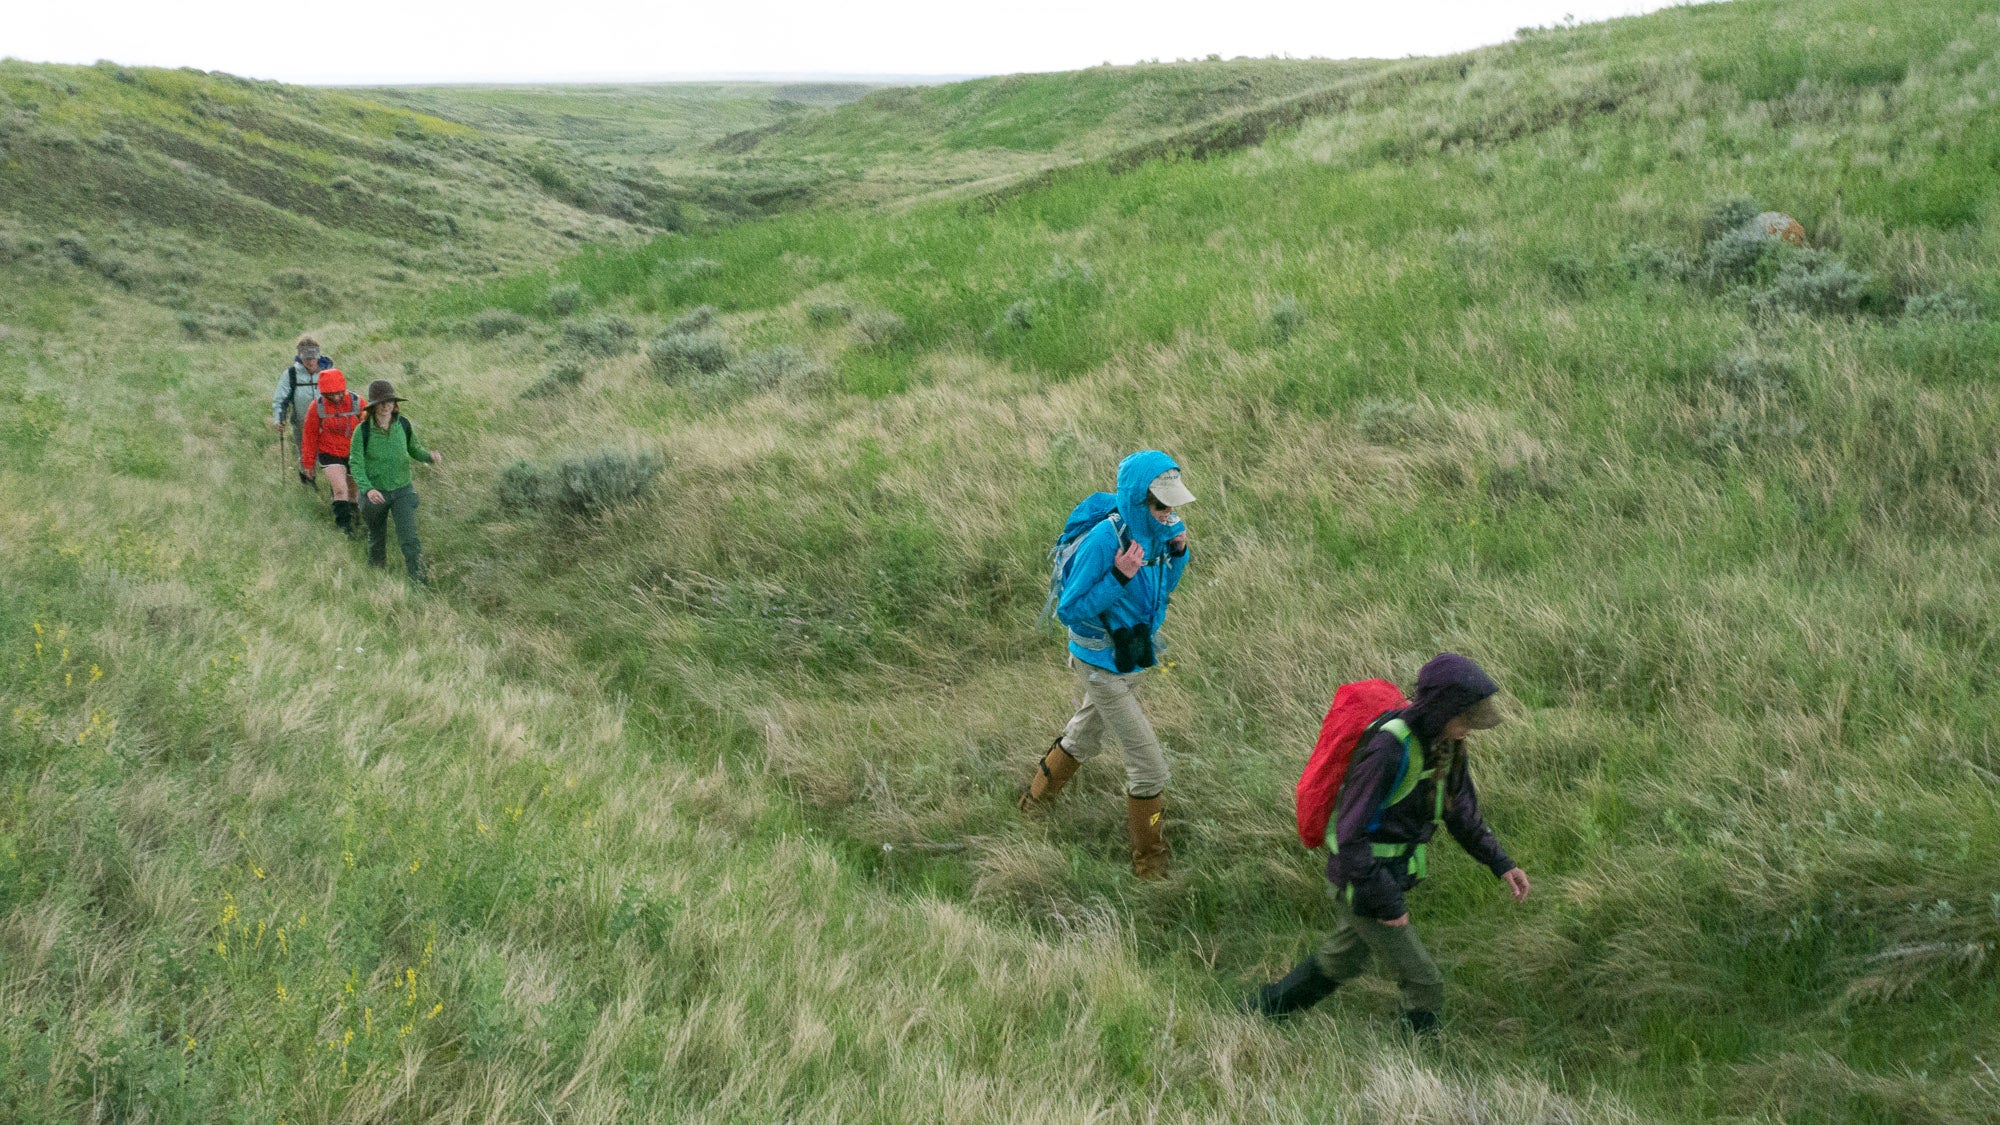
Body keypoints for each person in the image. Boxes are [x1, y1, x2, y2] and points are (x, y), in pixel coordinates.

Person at [1248, 652, 1531, 1035]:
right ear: (1441, 708)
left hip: (1384, 877)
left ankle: (1260, 1011)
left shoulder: (1445, 746)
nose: (1470, 728)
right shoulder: (1389, 750)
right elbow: (1350, 836)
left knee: (1341, 960)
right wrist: (1388, 902)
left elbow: (1460, 813)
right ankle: (1419, 1068)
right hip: (1362, 880)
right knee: (1424, 982)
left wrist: (1502, 864)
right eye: (1465, 718)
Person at [1017, 450, 1193, 879]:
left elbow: (1160, 592)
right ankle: (1151, 866)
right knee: (1149, 768)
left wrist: (1179, 555)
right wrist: (1118, 576)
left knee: (1082, 736)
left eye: (1172, 503)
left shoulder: (1160, 531)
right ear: (1137, 500)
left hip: (1131, 657)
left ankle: (1031, 807)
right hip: (1099, 664)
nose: (1168, 512)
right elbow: (1070, 609)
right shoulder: (1103, 540)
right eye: (1159, 504)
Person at [349, 380, 441, 584]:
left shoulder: (403, 424)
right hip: (374, 492)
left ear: (394, 403)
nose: (386, 405)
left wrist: (429, 457)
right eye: (381, 402)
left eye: (389, 401)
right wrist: (368, 489)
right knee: (376, 535)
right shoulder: (362, 432)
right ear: (373, 406)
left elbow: (414, 449)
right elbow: (356, 465)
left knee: (409, 537)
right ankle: (377, 575)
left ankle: (418, 581)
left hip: (402, 490)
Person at [299, 369, 365, 536]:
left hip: (354, 452)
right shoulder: (317, 407)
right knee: (340, 489)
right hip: (329, 452)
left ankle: (355, 523)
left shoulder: (358, 403)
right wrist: (308, 463)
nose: (336, 398)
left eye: (339, 393)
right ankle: (344, 530)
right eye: (330, 395)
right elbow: (310, 435)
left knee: (352, 492)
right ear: (323, 393)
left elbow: (369, 430)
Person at [270, 334, 333, 472]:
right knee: (306, 458)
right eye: (306, 358)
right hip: (302, 424)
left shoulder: (328, 373)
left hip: (327, 424)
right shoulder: (291, 374)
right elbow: (281, 399)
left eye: (313, 358)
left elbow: (339, 395)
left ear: (318, 356)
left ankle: (328, 484)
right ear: (300, 357)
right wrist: (279, 419)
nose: (311, 362)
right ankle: (309, 485)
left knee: (328, 457)